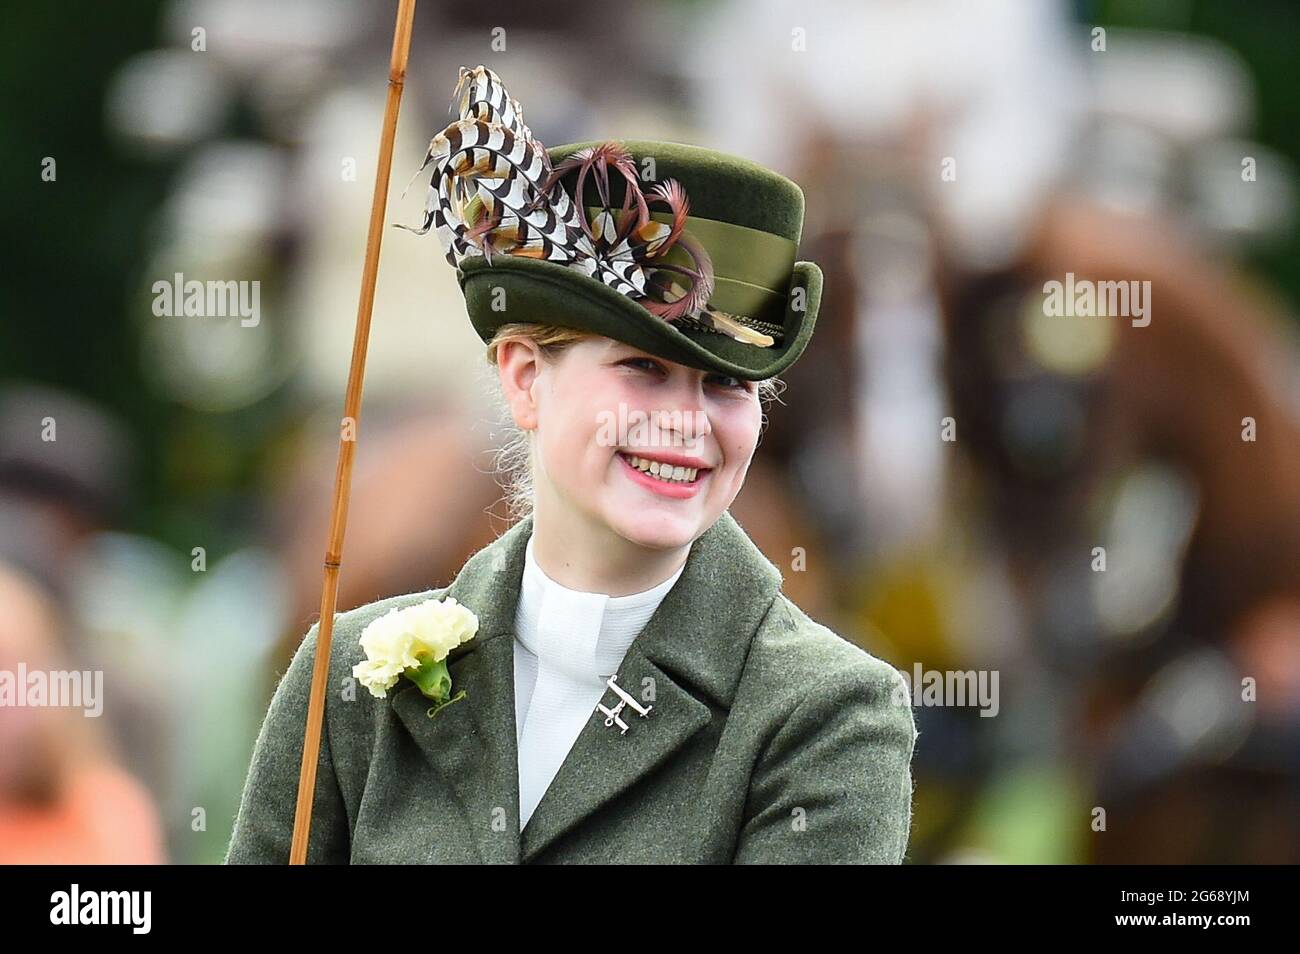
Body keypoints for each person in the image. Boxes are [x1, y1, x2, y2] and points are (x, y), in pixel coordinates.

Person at [225, 66, 917, 864]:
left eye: (728, 382)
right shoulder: (349, 676)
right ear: (524, 377)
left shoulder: (828, 713)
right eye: (643, 368)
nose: (688, 424)